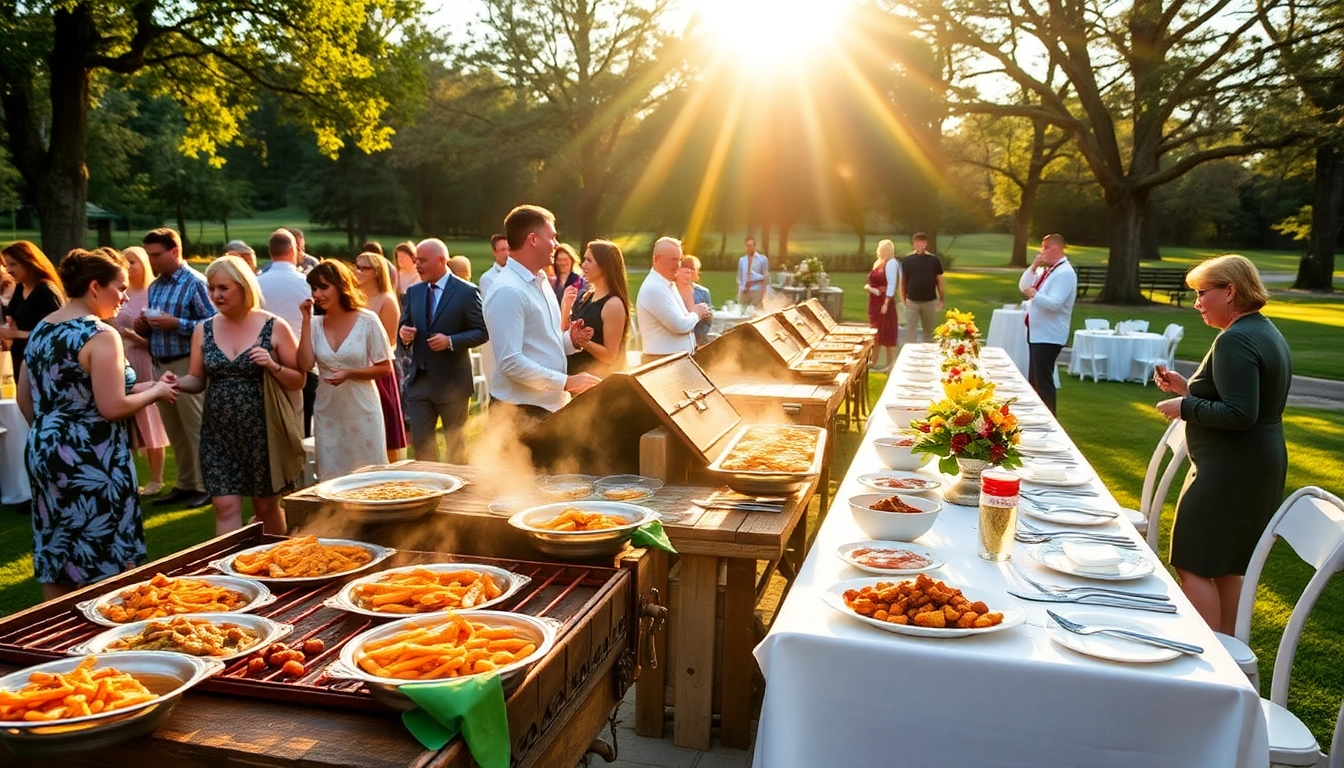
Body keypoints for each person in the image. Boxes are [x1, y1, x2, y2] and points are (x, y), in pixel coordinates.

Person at [18, 248, 178, 599]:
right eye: (120, 288)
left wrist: (151, 385)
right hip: (94, 457)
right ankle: (108, 643)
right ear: (95, 286)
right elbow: (113, 406)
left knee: (58, 553)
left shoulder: (44, 327)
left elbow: (25, 399)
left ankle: (57, 641)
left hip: (45, 448)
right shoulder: (100, 335)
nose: (124, 296)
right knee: (109, 557)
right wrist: (154, 394)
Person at [1153, 255, 1292, 634]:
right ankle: (1228, 650)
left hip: (1228, 470)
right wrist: (1187, 387)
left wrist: (1185, 406)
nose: (1197, 302)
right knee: (1229, 564)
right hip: (1256, 465)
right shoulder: (1263, 330)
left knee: (1193, 561)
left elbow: (1240, 414)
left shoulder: (1235, 339)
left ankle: (1207, 657)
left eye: (1202, 293)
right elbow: (1245, 398)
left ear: (1230, 291)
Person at [174, 256, 305, 535]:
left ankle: (273, 569)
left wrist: (272, 365)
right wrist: (175, 383)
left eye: (223, 288)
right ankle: (227, 571)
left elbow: (298, 380)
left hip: (263, 433)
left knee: (266, 508)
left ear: (244, 287)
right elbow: (196, 379)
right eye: (211, 288)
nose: (215, 295)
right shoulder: (204, 329)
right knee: (224, 506)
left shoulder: (274, 326)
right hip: (218, 434)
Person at [483, 205, 600, 425]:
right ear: (534, 240)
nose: (556, 245)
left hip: (544, 409)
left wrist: (570, 341)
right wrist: (566, 382)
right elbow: (510, 362)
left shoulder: (541, 281)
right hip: (518, 414)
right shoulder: (508, 290)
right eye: (553, 237)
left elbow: (541, 343)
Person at [136, 228, 214, 508]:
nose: (152, 261)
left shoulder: (195, 282)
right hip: (160, 363)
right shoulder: (155, 286)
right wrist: (143, 326)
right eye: (149, 255)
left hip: (186, 362)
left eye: (156, 255)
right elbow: (153, 325)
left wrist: (177, 323)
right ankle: (185, 483)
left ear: (175, 251)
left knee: (195, 428)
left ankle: (206, 486)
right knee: (175, 430)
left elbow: (213, 325)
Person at [298, 260, 393, 480]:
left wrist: (350, 373)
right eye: (314, 288)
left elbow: (385, 367)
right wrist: (304, 321)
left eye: (323, 287)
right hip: (328, 411)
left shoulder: (368, 320)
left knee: (369, 478)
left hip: (362, 410)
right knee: (331, 479)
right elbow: (304, 365)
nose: (317, 294)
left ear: (341, 286)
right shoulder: (314, 325)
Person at [397, 239, 489, 463]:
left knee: (457, 450)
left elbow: (483, 331)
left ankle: (460, 495)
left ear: (440, 260)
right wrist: (404, 336)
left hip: (453, 384)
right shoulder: (414, 292)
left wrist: (450, 341)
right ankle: (428, 493)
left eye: (422, 261)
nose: (417, 265)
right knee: (422, 449)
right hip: (419, 383)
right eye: (416, 260)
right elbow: (404, 328)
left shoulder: (466, 292)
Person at [114, 246, 172, 496]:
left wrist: (134, 337)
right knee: (126, 418)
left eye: (133, 261)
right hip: (119, 357)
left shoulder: (152, 293)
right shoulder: (117, 291)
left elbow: (159, 337)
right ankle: (128, 477)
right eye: (124, 262)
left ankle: (157, 478)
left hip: (144, 357)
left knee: (149, 417)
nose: (128, 266)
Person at [257, 229, 317, 434]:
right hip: (302, 359)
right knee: (303, 424)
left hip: (263, 358)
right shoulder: (307, 283)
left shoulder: (257, 283)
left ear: (270, 252)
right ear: (292, 250)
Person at [353, 251, 408, 462]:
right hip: (357, 366)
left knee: (386, 429)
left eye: (363, 268)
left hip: (379, 369)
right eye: (357, 266)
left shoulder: (386, 300)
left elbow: (389, 342)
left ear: (376, 272)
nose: (357, 271)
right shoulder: (356, 298)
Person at [1018, 234, 1076, 414]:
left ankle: (1049, 417)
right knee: (1035, 380)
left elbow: (1055, 304)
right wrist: (1034, 266)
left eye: (1045, 248)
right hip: (1037, 332)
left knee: (1043, 380)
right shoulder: (1049, 270)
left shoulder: (1065, 273)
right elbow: (1023, 286)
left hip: (1049, 335)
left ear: (1057, 248)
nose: (1041, 252)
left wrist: (1035, 294)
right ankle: (1037, 415)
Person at [562, 240, 631, 377]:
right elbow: (566, 331)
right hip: (576, 379)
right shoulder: (586, 296)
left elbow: (610, 356)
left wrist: (584, 342)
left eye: (589, 260)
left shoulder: (613, 304)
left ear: (604, 266)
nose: (583, 265)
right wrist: (565, 307)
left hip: (597, 383)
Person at [636, 237, 709, 363]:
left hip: (672, 361)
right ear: (656, 259)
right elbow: (680, 326)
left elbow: (684, 318)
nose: (678, 265)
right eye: (673, 260)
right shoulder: (654, 288)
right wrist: (697, 314)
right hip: (661, 363)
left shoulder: (667, 284)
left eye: (680, 259)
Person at [0, 241, 66, 376]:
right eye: (7, 265)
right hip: (22, 358)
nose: (9, 270)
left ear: (29, 262)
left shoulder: (46, 291)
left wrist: (16, 334)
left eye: (13, 264)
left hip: (44, 362)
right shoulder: (20, 288)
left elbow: (56, 334)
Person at [901, 232, 945, 342]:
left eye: (922, 243)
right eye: (917, 243)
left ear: (925, 244)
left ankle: (928, 354)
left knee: (929, 331)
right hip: (912, 301)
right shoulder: (907, 260)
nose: (919, 246)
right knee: (911, 330)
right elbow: (903, 282)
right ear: (914, 244)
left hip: (929, 301)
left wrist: (941, 299)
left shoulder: (934, 260)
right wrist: (904, 299)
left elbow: (939, 281)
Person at [865, 239, 901, 370]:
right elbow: (872, 281)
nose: (885, 252)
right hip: (874, 301)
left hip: (884, 301)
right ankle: (873, 361)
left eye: (887, 249)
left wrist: (886, 302)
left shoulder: (891, 263)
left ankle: (890, 362)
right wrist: (869, 288)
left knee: (887, 331)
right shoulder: (877, 263)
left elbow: (892, 284)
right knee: (876, 332)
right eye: (883, 249)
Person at [681, 255, 713, 346]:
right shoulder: (673, 290)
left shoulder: (703, 292)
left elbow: (709, 320)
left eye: (693, 270)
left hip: (698, 336)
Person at [736, 237, 769, 307]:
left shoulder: (762, 259)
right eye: (747, 246)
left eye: (751, 246)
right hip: (744, 290)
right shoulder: (742, 260)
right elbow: (740, 277)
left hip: (756, 290)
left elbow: (766, 277)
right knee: (742, 311)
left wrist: (763, 293)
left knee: (756, 311)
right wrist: (740, 290)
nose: (749, 248)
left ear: (754, 246)